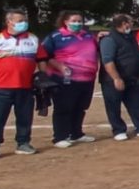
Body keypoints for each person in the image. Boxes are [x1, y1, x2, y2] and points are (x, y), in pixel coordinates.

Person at [0, 10, 49, 160]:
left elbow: (41, 59)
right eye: (19, 20)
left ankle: (23, 143)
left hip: (26, 87)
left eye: (25, 20)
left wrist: (43, 78)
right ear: (9, 22)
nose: (23, 22)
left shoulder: (33, 39)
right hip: (1, 87)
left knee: (25, 117)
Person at [42, 10, 98, 149]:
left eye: (80, 21)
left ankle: (76, 133)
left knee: (81, 107)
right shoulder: (55, 37)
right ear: (65, 22)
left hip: (87, 79)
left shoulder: (87, 36)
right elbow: (45, 56)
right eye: (74, 21)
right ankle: (60, 136)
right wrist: (59, 66)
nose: (77, 23)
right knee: (64, 107)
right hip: (65, 78)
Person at [100, 14, 139, 141]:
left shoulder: (130, 37)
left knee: (136, 104)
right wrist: (116, 78)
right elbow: (107, 61)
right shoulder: (109, 39)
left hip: (132, 78)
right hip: (113, 80)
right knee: (113, 106)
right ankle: (118, 130)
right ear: (124, 23)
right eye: (131, 22)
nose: (132, 24)